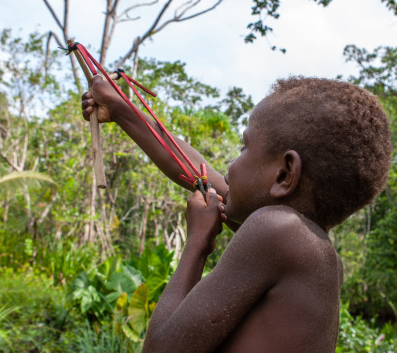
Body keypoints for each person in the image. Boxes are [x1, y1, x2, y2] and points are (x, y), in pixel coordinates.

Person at [81, 76, 392, 352]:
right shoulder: (311, 249)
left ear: (284, 175)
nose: (230, 165)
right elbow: (196, 174)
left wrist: (198, 243)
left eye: (244, 147)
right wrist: (121, 109)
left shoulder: (277, 230)